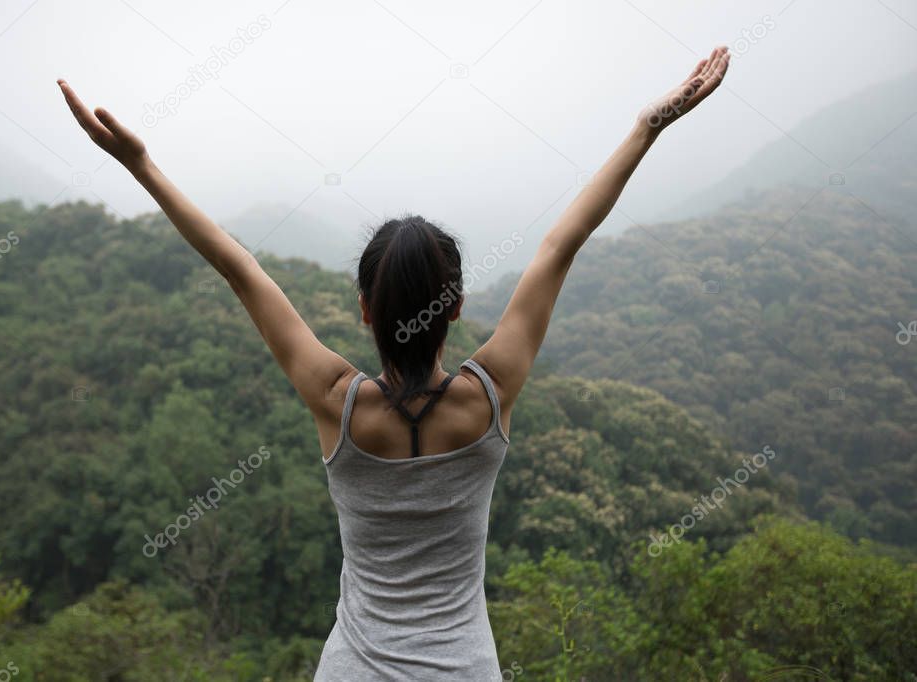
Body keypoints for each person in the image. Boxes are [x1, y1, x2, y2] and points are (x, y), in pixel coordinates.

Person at [57, 45, 730, 680]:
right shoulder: (486, 398)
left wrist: (138, 164)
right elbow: (559, 245)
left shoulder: (336, 403)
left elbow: (239, 268)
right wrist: (648, 125)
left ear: (364, 311)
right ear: (457, 307)